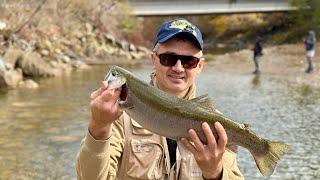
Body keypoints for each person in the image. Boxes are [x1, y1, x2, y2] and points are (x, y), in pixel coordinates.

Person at [76, 18, 244, 180]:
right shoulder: (117, 116)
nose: (178, 68)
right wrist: (98, 126)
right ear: (153, 60)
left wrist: (215, 173)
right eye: (168, 59)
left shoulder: (215, 125)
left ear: (200, 66)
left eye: (189, 61)